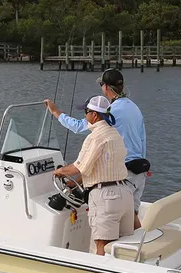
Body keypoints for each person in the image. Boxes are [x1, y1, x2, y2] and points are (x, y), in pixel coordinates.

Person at [45, 68, 148, 229]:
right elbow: (142, 139)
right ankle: (140, 244)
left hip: (124, 172)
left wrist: (56, 112)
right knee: (132, 216)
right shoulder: (134, 107)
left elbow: (79, 126)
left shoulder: (110, 112)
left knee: (115, 222)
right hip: (140, 170)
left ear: (105, 87)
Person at [53, 95, 134, 256]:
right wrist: (72, 183)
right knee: (122, 245)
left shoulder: (95, 137)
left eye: (86, 112)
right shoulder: (114, 134)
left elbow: (79, 167)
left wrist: (59, 172)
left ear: (94, 115)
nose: (84, 116)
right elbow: (99, 168)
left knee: (102, 245)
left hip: (106, 197)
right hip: (125, 193)